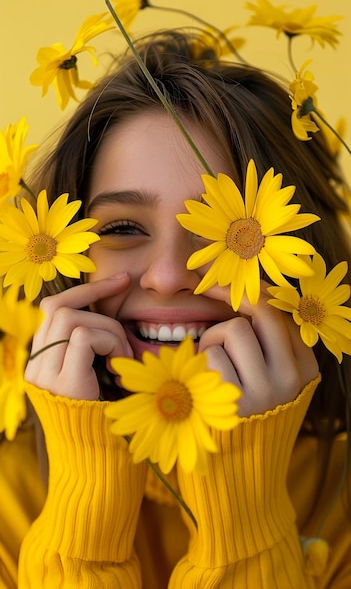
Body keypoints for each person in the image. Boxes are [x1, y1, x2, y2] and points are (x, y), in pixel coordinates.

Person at [1, 30, 351, 588]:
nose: (167, 277)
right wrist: (82, 528)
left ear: (301, 264)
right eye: (121, 228)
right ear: (67, 263)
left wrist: (247, 509)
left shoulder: (338, 505)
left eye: (230, 236)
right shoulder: (7, 505)